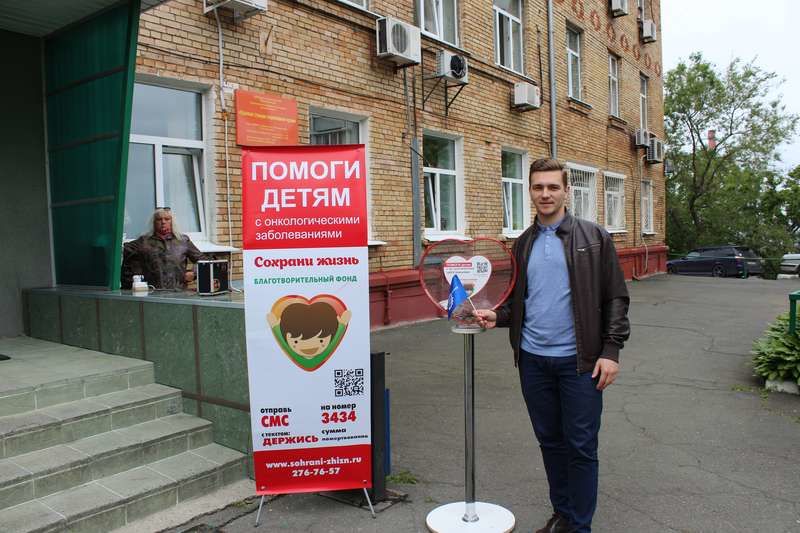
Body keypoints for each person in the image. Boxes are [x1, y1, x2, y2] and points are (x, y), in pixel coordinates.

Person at [473, 158, 630, 533]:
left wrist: (611, 351)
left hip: (581, 363)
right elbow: (521, 301)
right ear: (530, 191)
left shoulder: (594, 238)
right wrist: (498, 316)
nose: (545, 194)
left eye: (553, 187)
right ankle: (563, 515)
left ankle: (580, 527)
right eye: (538, 187)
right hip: (532, 361)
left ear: (566, 192)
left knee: (581, 446)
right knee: (551, 442)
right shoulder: (523, 244)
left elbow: (615, 297)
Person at [122, 208, 203, 290]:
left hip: (178, 292)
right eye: (159, 219)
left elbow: (204, 261)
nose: (163, 222)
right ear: (154, 223)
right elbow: (125, 250)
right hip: (152, 292)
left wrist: (194, 274)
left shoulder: (183, 241)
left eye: (167, 219)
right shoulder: (143, 241)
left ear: (172, 222)